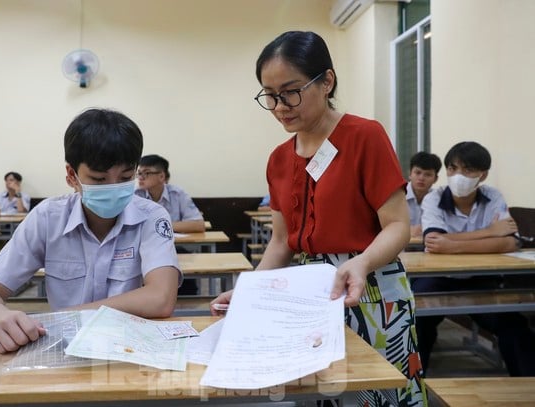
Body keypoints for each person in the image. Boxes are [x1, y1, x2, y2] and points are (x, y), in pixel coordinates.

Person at [210, 31, 426, 406]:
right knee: (320, 392)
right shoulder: (279, 158)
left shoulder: (364, 136)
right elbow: (281, 243)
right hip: (309, 292)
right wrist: (250, 293)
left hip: (370, 285)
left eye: (291, 91)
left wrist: (362, 262)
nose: (280, 106)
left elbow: (397, 226)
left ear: (326, 81)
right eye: (270, 95)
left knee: (380, 395)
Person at [0, 108, 181, 354]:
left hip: (134, 349)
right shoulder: (48, 218)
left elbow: (161, 298)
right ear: (71, 175)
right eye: (99, 179)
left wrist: (64, 316)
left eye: (125, 177)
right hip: (67, 350)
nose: (113, 187)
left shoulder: (151, 216)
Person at [413, 141, 535, 376]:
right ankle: (414, 390)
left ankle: (526, 387)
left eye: (468, 170)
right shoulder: (434, 199)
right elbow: (435, 244)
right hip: (439, 278)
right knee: (417, 324)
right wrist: (490, 232)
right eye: (452, 168)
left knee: (515, 329)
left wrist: (452, 243)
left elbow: (510, 242)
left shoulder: (493, 196)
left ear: (483, 174)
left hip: (482, 278)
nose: (458, 175)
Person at [135, 154, 204, 295]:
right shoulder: (135, 195)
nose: (141, 177)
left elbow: (198, 225)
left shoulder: (178, 194)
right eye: (139, 173)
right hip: (144, 250)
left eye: (146, 173)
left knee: (183, 275)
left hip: (177, 249)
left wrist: (158, 226)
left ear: (161, 176)